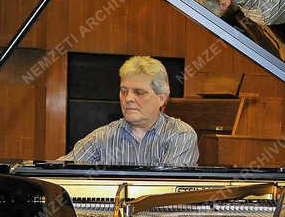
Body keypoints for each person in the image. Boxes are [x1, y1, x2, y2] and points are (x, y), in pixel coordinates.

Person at [60, 56, 198, 166]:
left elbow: (167, 189)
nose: (128, 98)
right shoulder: (101, 137)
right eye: (124, 91)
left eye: (139, 92)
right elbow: (60, 174)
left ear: (161, 99)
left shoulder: (180, 135)